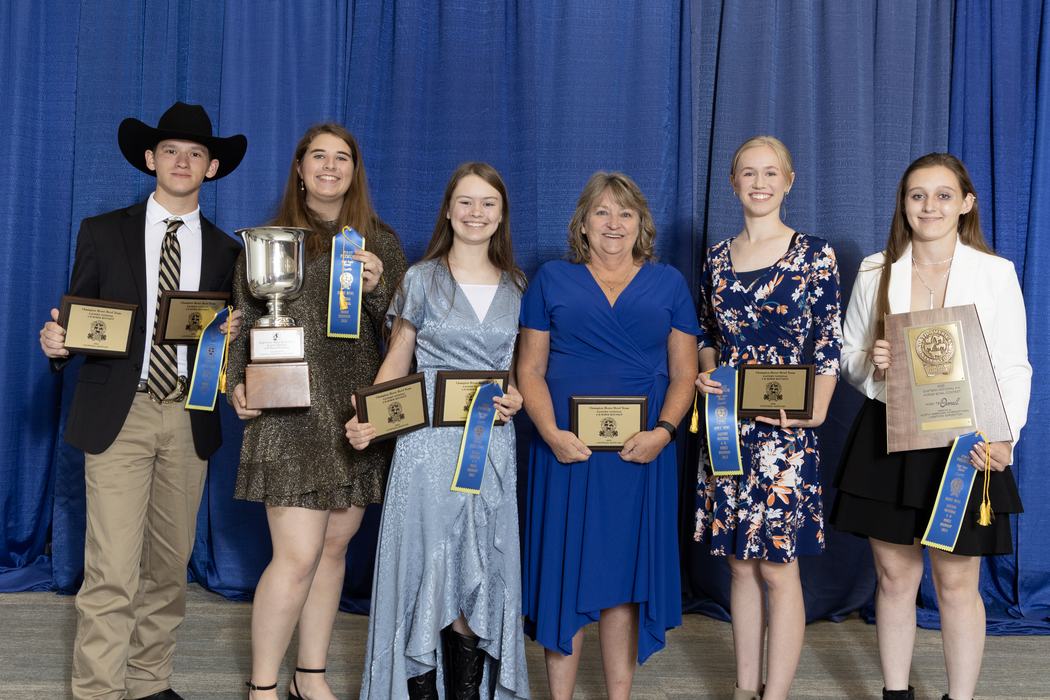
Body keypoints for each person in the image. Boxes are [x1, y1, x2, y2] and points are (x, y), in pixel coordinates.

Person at [37, 101, 246, 700]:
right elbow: (77, 321)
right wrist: (56, 344)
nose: (183, 161)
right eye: (172, 151)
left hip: (188, 414)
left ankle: (150, 681)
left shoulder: (229, 252)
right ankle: (99, 690)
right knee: (111, 568)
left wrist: (232, 347)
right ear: (152, 159)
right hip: (118, 413)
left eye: (196, 153)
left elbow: (230, 349)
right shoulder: (102, 231)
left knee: (168, 565)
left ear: (211, 168)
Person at [830, 153, 1030, 700]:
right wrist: (873, 363)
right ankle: (897, 693)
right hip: (889, 437)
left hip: (966, 442)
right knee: (893, 579)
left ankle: (959, 697)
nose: (930, 206)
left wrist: (1005, 437)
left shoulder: (995, 273)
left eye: (943, 195)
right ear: (903, 204)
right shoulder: (876, 270)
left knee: (957, 581)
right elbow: (847, 357)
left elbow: (1014, 364)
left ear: (966, 203)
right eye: (918, 195)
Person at [227, 124, 407, 700]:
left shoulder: (381, 241)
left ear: (355, 170)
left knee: (333, 550)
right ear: (300, 169)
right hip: (289, 412)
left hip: (356, 414)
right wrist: (235, 381)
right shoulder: (269, 242)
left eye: (343, 158)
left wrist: (380, 289)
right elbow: (241, 323)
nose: (330, 166)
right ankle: (262, 687)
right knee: (296, 555)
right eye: (318, 157)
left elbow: (406, 334)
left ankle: (312, 676)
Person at [346, 162, 529, 700]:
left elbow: (514, 375)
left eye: (488, 203)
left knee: (480, 563)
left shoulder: (518, 286)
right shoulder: (421, 278)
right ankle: (419, 689)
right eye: (466, 202)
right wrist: (367, 420)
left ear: (501, 215)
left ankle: (468, 693)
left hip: (490, 448)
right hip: (425, 450)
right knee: (427, 565)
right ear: (449, 210)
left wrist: (516, 397)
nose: (476, 213)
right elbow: (397, 362)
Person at [517, 172, 699, 699]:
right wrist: (550, 432)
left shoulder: (668, 283)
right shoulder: (551, 278)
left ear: (641, 222)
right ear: (583, 223)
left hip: (640, 453)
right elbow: (529, 369)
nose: (613, 223)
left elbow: (684, 373)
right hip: (566, 450)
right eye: (602, 212)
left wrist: (663, 433)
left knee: (624, 581)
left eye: (625, 213)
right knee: (565, 573)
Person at [693, 136, 842, 700]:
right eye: (748, 173)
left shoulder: (814, 255)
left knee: (778, 568)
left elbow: (828, 342)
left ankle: (774, 694)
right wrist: (707, 370)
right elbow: (708, 334)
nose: (759, 182)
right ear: (734, 183)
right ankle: (743, 688)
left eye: (770, 173)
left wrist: (815, 412)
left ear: (788, 180)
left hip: (785, 432)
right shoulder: (714, 258)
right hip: (728, 428)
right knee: (737, 565)